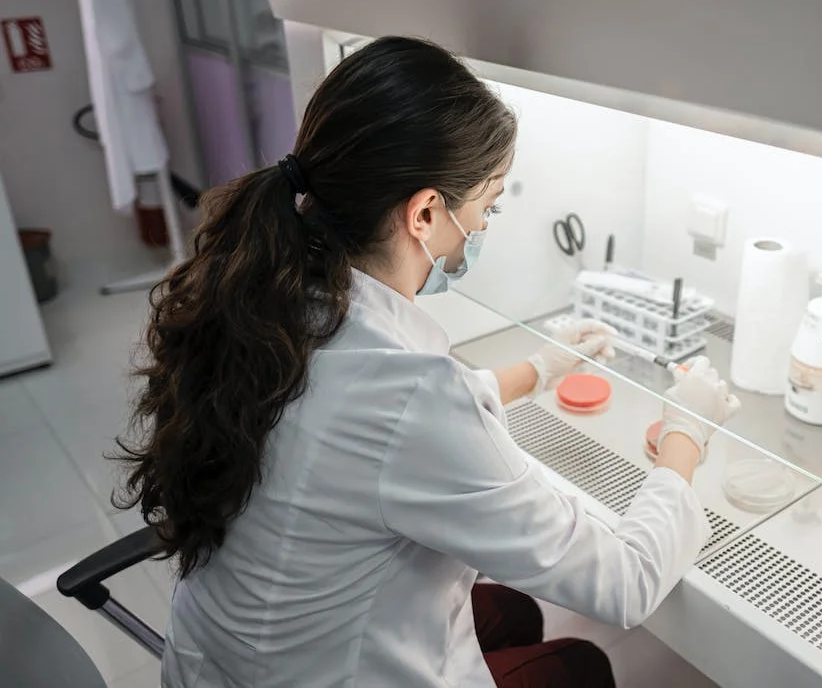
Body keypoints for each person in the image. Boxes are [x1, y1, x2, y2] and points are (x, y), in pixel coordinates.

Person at [116, 36, 741, 688]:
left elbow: (354, 421)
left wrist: (537, 370)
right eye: (488, 205)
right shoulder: (408, 394)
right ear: (423, 213)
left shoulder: (269, 301)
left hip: (227, 659)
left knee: (509, 613)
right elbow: (622, 583)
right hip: (306, 672)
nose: (487, 226)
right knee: (580, 664)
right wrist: (685, 436)